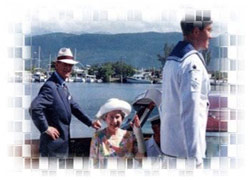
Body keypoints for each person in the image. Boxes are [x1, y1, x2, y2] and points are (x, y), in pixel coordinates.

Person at [161, 10, 212, 167]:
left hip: (170, 148)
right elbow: (191, 112)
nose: (211, 36)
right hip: (184, 154)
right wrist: (194, 157)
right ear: (196, 31)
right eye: (209, 30)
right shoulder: (191, 64)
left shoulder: (172, 60)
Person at [29, 47, 101, 157]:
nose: (68, 68)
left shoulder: (62, 86)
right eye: (65, 64)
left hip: (62, 147)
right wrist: (45, 128)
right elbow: (34, 108)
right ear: (57, 65)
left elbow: (74, 107)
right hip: (52, 148)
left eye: (70, 65)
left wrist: (90, 122)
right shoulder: (50, 87)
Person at [89, 98, 144, 167]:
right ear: (105, 118)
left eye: (117, 117)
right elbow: (93, 163)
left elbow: (140, 158)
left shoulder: (130, 136)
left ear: (122, 118)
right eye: (111, 117)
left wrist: (138, 131)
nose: (115, 121)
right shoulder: (98, 136)